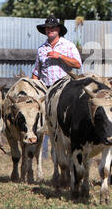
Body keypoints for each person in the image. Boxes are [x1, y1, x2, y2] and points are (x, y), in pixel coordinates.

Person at [32, 16, 82, 158]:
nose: (50, 30)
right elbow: (36, 71)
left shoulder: (68, 45)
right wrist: (33, 89)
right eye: (48, 28)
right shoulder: (41, 49)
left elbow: (78, 64)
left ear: (58, 30)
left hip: (65, 89)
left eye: (53, 28)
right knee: (44, 120)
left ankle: (63, 150)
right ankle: (45, 153)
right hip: (46, 88)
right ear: (45, 31)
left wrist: (60, 56)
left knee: (62, 120)